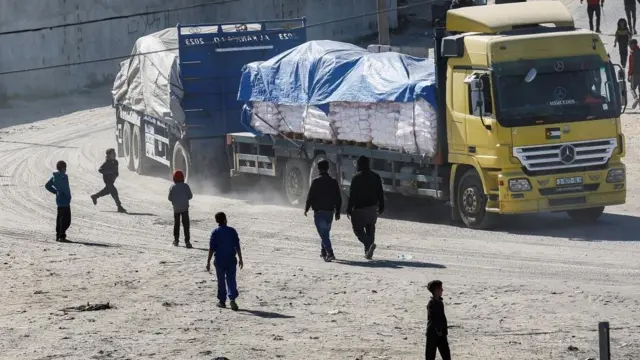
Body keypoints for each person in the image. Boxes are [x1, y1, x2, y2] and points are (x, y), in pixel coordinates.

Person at [346, 156, 384, 260]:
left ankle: (368, 244)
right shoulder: (376, 176)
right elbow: (380, 193)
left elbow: (352, 195)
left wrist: (349, 209)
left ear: (359, 165)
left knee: (358, 230)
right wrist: (381, 206)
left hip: (359, 210)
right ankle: (368, 251)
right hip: (372, 209)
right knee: (370, 228)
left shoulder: (356, 178)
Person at [304, 159, 342, 262]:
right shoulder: (333, 182)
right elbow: (338, 198)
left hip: (319, 212)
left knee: (323, 234)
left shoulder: (316, 181)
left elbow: (310, 196)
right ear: (328, 168)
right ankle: (323, 251)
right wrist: (338, 212)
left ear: (318, 169)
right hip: (330, 212)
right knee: (325, 232)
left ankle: (330, 253)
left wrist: (306, 208)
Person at [206, 212, 244, 311]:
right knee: (231, 279)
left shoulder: (215, 232)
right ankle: (232, 298)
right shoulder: (232, 231)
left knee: (221, 280)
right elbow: (237, 246)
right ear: (225, 219)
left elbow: (211, 248)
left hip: (219, 260)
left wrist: (208, 261)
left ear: (216, 221)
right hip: (231, 259)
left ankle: (222, 301)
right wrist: (240, 259)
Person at [90, 148, 127, 213]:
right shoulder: (107, 162)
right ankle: (119, 207)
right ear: (109, 155)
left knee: (106, 191)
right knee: (114, 192)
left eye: (115, 153)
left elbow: (116, 170)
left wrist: (116, 174)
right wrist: (110, 171)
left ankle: (95, 196)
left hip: (112, 180)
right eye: (113, 154)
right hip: (107, 180)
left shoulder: (116, 162)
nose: (114, 155)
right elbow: (100, 170)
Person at [45, 160, 72, 242]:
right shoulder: (64, 177)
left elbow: (47, 185)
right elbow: (65, 189)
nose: (66, 169)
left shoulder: (54, 176)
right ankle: (62, 236)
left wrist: (56, 192)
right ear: (63, 168)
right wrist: (68, 197)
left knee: (60, 218)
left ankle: (58, 235)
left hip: (59, 201)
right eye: (65, 168)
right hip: (65, 202)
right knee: (66, 220)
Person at [425, 280, 451, 360]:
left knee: (446, 356)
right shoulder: (432, 303)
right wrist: (439, 328)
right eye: (440, 288)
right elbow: (433, 320)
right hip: (433, 334)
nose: (442, 290)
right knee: (430, 357)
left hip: (441, 333)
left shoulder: (440, 302)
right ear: (435, 291)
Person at [168, 170, 193, 248]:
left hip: (176, 209)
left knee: (177, 224)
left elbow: (169, 198)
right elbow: (190, 196)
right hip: (185, 209)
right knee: (186, 225)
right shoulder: (186, 186)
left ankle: (176, 240)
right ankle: (187, 241)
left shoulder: (172, 187)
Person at [628, 39, 640, 109]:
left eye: (630, 44)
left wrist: (629, 75)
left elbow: (631, 65)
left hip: (635, 74)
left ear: (633, 44)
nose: (629, 45)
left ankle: (636, 99)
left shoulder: (632, 53)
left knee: (632, 89)